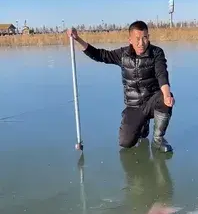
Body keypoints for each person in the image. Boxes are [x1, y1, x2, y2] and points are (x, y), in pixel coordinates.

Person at [67, 20, 175, 153]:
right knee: (125, 142)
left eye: (145, 38)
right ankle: (142, 125)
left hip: (152, 101)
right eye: (137, 39)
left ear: (148, 37)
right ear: (130, 39)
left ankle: (158, 140)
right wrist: (78, 39)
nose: (141, 43)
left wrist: (167, 94)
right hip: (134, 106)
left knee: (165, 98)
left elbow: (161, 73)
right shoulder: (122, 55)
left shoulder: (157, 52)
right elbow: (100, 55)